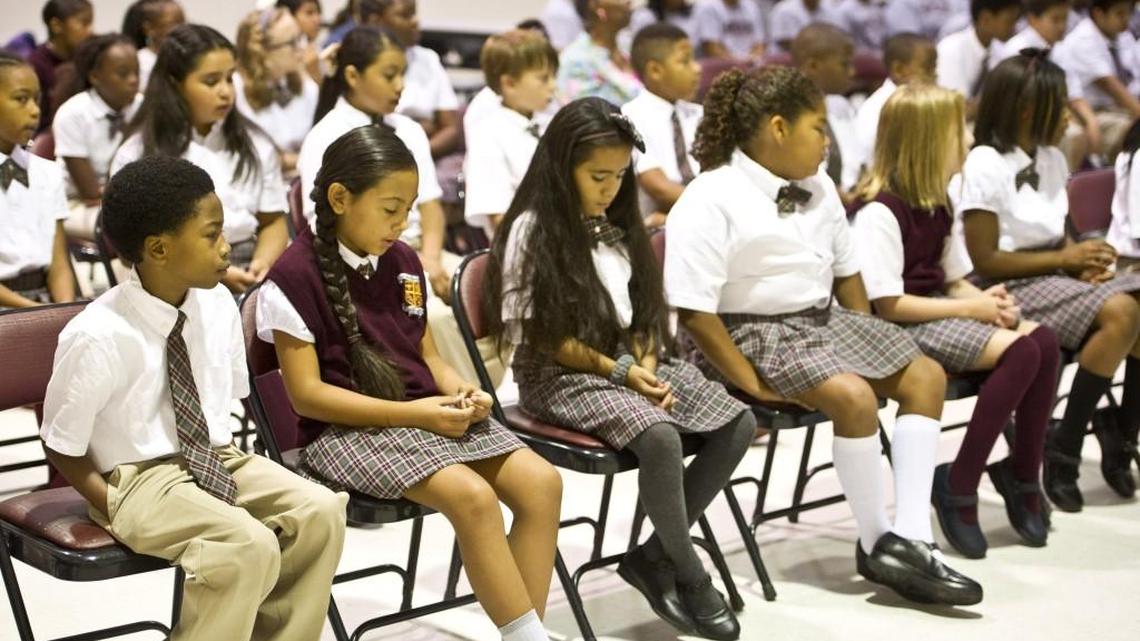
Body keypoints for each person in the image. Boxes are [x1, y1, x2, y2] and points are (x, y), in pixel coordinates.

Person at [667, 65, 982, 606]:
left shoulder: (820, 187)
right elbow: (695, 313)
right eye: (817, 126)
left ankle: (911, 535)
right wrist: (752, 385)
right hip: (746, 332)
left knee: (924, 373)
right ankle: (876, 538)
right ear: (778, 128)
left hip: (818, 321)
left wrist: (869, 336)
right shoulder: (709, 196)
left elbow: (847, 273)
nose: (827, 140)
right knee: (853, 396)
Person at [261, 125, 561, 641]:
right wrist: (420, 413)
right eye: (390, 209)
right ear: (339, 198)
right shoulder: (292, 277)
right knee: (472, 496)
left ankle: (525, 631)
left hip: (421, 415)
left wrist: (460, 388)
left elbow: (424, 352)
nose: (402, 224)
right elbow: (307, 397)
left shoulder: (402, 262)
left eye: (409, 209)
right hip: (343, 433)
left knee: (543, 482)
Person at [488, 97, 754, 639]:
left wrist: (647, 364)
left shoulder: (618, 224)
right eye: (597, 176)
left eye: (619, 176)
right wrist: (624, 373)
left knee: (737, 421)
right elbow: (543, 336)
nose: (610, 188)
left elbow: (643, 316)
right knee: (657, 436)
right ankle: (688, 570)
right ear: (562, 170)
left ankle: (653, 556)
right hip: (555, 374)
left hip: (623, 362)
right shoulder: (531, 230)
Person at [852, 83, 1058, 558]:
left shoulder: (939, 197)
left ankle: (1025, 473)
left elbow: (954, 277)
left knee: (1042, 340)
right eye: (957, 131)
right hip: (898, 328)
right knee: (1023, 349)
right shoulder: (880, 210)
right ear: (928, 140)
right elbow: (890, 305)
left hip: (936, 312)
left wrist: (987, 301)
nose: (968, 140)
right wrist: (973, 307)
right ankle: (960, 480)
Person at [953, 51, 1140, 512]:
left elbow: (1066, 233)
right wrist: (1065, 258)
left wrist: (1085, 262)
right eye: (1060, 107)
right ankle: (1067, 445)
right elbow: (985, 259)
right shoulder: (985, 162)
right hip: (1004, 286)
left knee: (1134, 301)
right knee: (1123, 311)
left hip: (1053, 276)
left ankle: (1119, 429)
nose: (1070, 117)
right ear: (1025, 110)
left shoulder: (1053, 156)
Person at [111, 24, 290, 296]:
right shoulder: (139, 154)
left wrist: (262, 264)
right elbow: (132, 252)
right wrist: (215, 270)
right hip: (177, 282)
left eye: (230, 78)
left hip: (250, 271)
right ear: (175, 84)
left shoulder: (254, 144)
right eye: (211, 81)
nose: (225, 92)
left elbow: (273, 220)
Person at [464, 29, 558, 237]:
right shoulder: (487, 134)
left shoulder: (549, 123)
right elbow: (499, 218)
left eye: (553, 76)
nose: (553, 86)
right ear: (509, 83)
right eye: (543, 78)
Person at [0, 51, 76, 309]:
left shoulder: (47, 172)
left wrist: (63, 309)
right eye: (21, 99)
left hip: (43, 300)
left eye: (37, 99)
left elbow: (59, 261)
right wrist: (36, 314)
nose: (34, 111)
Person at [52, 34, 141, 240]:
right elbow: (89, 192)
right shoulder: (73, 113)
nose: (133, 80)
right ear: (94, 77)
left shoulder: (142, 106)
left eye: (136, 72)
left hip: (128, 199)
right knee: (137, 228)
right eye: (123, 73)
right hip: (76, 203)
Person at [994, 0, 1099, 169]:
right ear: (1033, 19)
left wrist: (1091, 121)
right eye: (1055, 19)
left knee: (1079, 130)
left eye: (1065, 19)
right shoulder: (1016, 49)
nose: (1062, 26)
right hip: (1022, 116)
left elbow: (1074, 94)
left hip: (1053, 113)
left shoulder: (1061, 48)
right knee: (1073, 135)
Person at [621, 22, 702, 226]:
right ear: (655, 70)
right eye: (685, 61)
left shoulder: (700, 113)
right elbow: (658, 187)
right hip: (655, 225)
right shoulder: (631, 116)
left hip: (703, 214)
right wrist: (713, 208)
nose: (697, 68)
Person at [234, 7, 320, 175]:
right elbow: (260, 157)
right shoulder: (237, 91)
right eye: (292, 42)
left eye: (300, 37)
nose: (302, 47)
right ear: (263, 51)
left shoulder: (306, 85)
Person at [1053, 0, 1140, 161]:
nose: (1126, 19)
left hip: (1120, 107)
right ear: (1099, 14)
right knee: (1132, 131)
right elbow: (1112, 87)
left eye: (1128, 13)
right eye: (1119, 14)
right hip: (1093, 111)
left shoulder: (1123, 36)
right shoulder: (1083, 39)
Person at [855, 32, 936, 170]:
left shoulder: (921, 99)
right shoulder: (879, 107)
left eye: (934, 68)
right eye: (927, 68)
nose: (934, 75)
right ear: (899, 70)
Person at [935, 0, 1021, 119]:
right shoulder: (950, 49)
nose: (1014, 28)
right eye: (1009, 21)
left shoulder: (1002, 52)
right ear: (986, 19)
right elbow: (957, 109)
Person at [557, 0, 643, 105]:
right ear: (595, 6)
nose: (628, 1)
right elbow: (586, 116)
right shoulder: (576, 61)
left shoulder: (628, 47)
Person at [28, 0, 93, 133]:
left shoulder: (88, 59)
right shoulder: (35, 66)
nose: (90, 31)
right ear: (56, 25)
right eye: (83, 23)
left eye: (90, 24)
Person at [121, 0, 185, 92]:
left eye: (183, 22)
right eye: (173, 24)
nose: (182, 29)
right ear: (149, 28)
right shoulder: (140, 62)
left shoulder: (185, 58)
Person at [692, 0, 767, 60]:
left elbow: (759, 43)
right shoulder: (707, 6)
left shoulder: (752, 6)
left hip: (749, 63)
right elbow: (712, 48)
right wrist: (740, 63)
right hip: (720, 67)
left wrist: (753, 58)